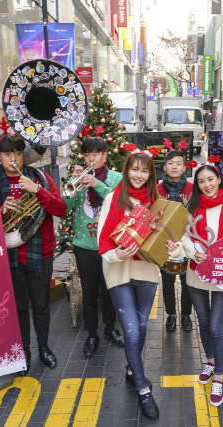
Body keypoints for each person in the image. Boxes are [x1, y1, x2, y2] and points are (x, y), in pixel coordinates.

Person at [166, 164, 223, 407]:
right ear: (198, 185)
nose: (207, 185)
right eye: (202, 182)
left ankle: (220, 377)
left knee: (215, 327)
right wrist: (193, 252)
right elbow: (184, 237)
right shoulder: (191, 207)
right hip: (196, 273)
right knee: (202, 322)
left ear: (218, 179)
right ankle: (210, 362)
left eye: (210, 179)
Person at [97, 152, 161, 420]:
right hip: (119, 271)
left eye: (144, 171)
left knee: (142, 326)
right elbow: (102, 240)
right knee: (132, 333)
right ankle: (143, 388)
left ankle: (131, 369)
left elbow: (168, 240)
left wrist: (169, 244)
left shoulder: (158, 203)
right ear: (126, 171)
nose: (138, 175)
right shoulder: (114, 198)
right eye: (134, 170)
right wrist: (116, 255)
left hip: (146, 270)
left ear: (150, 175)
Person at [0, 134, 67, 373]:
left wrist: (37, 190)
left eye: (17, 153)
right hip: (10, 257)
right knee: (18, 308)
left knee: (41, 306)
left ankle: (44, 348)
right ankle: (23, 352)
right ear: (0, 156)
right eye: (7, 154)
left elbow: (61, 209)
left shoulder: (41, 178)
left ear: (22, 155)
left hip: (40, 254)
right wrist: (0, 210)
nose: (13, 158)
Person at [64, 137, 124, 358]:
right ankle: (91, 334)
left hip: (110, 245)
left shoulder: (116, 178)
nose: (91, 158)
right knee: (89, 294)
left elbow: (119, 202)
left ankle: (109, 328)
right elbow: (65, 206)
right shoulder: (77, 179)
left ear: (104, 156)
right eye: (87, 154)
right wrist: (73, 182)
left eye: (96, 154)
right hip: (84, 246)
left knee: (110, 291)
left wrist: (96, 183)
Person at [156, 150, 194, 332]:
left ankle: (186, 314)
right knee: (167, 282)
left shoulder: (193, 189)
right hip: (166, 243)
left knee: (188, 282)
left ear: (184, 167)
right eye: (171, 163)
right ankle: (171, 314)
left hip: (188, 243)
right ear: (165, 167)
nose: (174, 166)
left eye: (178, 163)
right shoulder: (158, 190)